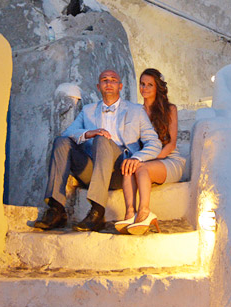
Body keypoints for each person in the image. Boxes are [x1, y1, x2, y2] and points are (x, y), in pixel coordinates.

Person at [35, 69, 162, 232]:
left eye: (113, 80)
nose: (108, 83)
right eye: (104, 80)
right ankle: (56, 209)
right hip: (92, 170)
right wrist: (89, 133)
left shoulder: (136, 111)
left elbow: (154, 142)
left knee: (102, 139)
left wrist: (136, 158)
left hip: (121, 171)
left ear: (120, 86)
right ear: (98, 86)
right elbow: (67, 133)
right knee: (61, 142)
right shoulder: (87, 110)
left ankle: (97, 211)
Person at [116, 68, 186, 235]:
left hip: (168, 160)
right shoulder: (136, 111)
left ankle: (145, 212)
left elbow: (172, 144)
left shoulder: (170, 109)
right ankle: (129, 213)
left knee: (139, 166)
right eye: (142, 84)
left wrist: (145, 161)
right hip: (145, 160)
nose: (144, 88)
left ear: (157, 88)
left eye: (149, 85)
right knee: (130, 165)